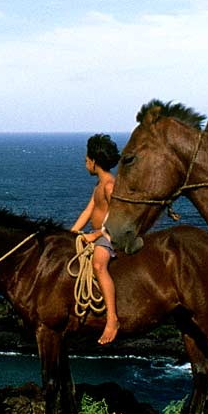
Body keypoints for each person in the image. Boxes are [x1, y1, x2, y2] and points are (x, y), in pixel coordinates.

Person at [71, 133, 122, 345]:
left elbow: (118, 216)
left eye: (86, 160)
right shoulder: (98, 186)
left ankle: (112, 319)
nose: (85, 164)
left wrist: (97, 234)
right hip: (98, 232)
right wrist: (72, 232)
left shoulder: (110, 185)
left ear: (94, 161)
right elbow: (89, 210)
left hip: (110, 233)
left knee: (99, 264)